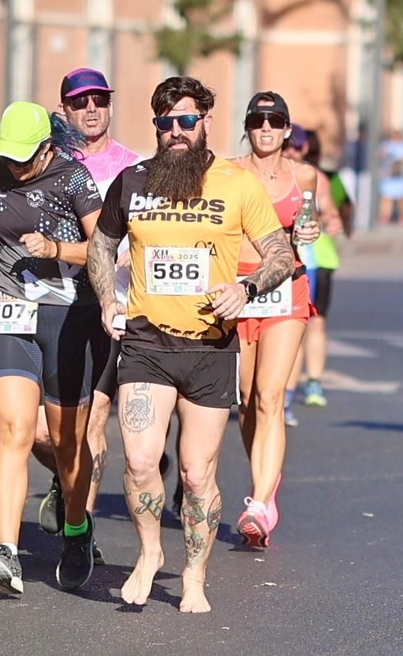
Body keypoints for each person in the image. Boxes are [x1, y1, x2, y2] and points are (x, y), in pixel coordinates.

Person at [88, 77, 294, 614]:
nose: (175, 131)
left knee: (196, 474)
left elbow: (279, 254)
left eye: (185, 120)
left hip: (210, 347)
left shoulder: (235, 183)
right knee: (138, 461)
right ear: (156, 127)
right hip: (146, 343)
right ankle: (151, 552)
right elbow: (102, 246)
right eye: (165, 123)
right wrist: (109, 299)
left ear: (205, 121)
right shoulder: (132, 182)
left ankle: (195, 574)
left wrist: (246, 288)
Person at [0, 102, 108, 594]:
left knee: (66, 440)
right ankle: (6, 554)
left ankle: (76, 530)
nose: (15, 168)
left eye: (25, 159)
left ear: (48, 147)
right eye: (8, 158)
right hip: (8, 306)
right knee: (14, 428)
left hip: (68, 316)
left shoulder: (75, 180)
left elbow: (106, 249)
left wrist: (55, 250)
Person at [31, 69, 142, 562]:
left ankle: (81, 534)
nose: (91, 109)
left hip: (105, 309)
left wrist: (120, 255)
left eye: (99, 99)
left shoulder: (134, 168)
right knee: (41, 432)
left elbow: (147, 237)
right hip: (46, 300)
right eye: (80, 103)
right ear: (65, 110)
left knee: (94, 422)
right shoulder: (46, 160)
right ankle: (65, 476)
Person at [230, 93, 341, 546]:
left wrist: (310, 231)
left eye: (275, 121)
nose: (266, 128)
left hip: (285, 288)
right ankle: (267, 481)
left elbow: (310, 222)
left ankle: (258, 502)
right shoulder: (228, 172)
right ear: (248, 126)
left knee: (270, 396)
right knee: (245, 399)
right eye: (258, 120)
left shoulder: (305, 175)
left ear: (287, 129)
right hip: (238, 291)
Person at [287, 127, 352, 408]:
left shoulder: (315, 177)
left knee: (313, 324)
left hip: (315, 259)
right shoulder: (255, 173)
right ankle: (282, 392)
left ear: (305, 148)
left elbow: (333, 208)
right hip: (269, 263)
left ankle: (311, 382)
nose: (290, 150)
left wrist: (332, 219)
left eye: (297, 146)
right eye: (287, 145)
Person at [378, 130, 403, 225]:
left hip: (400, 176)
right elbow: (381, 155)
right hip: (389, 176)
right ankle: (384, 217)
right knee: (386, 198)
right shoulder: (386, 145)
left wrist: (400, 159)